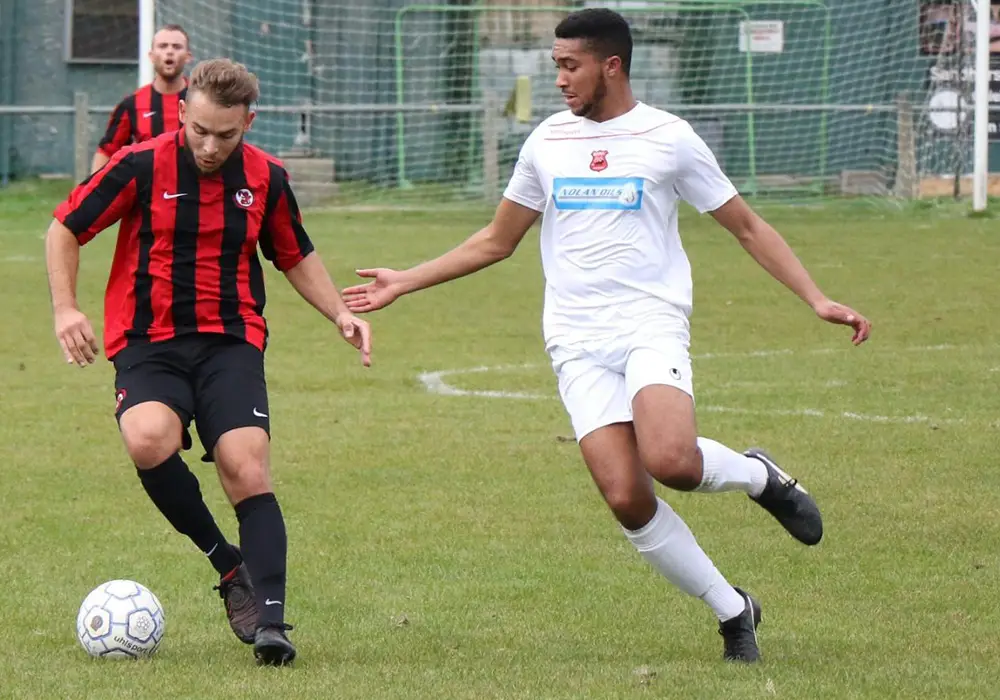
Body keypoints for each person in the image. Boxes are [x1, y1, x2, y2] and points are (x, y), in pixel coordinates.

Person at [342, 8, 871, 664]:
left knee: (672, 460)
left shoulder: (668, 138)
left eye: (570, 66)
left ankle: (761, 478)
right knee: (626, 496)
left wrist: (816, 298)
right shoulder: (547, 143)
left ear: (610, 66)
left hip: (650, 322)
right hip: (574, 339)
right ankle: (733, 611)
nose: (560, 79)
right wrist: (406, 280)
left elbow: (746, 227)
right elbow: (497, 239)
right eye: (556, 66)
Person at [45, 57, 372, 666]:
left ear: (249, 121)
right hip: (148, 341)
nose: (210, 145)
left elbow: (293, 253)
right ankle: (228, 565)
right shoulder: (140, 165)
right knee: (147, 439)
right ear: (182, 113)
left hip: (230, 341)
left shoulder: (267, 176)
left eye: (226, 134)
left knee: (245, 465)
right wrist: (67, 309)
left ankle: (272, 626)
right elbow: (65, 228)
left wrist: (339, 313)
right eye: (199, 130)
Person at [91, 24, 192, 174]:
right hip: (148, 193)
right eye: (163, 46)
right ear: (151, 56)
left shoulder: (202, 100)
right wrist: (94, 193)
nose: (169, 51)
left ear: (188, 57)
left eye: (177, 47)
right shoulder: (132, 104)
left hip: (194, 190)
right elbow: (107, 151)